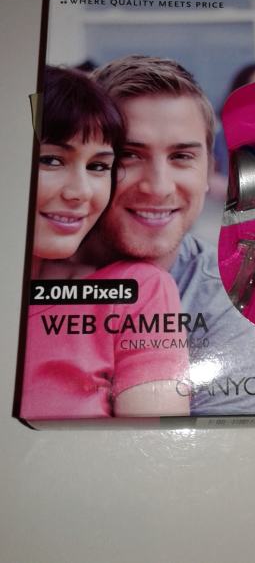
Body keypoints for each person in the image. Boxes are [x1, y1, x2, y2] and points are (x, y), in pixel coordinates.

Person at [81, 55, 255, 415]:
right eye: (129, 155)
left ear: (210, 170)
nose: (159, 187)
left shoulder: (242, 305)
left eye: (181, 156)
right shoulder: (32, 272)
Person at [20, 66, 189, 420]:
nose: (80, 192)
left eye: (98, 166)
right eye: (51, 160)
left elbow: (153, 446)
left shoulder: (137, 291)